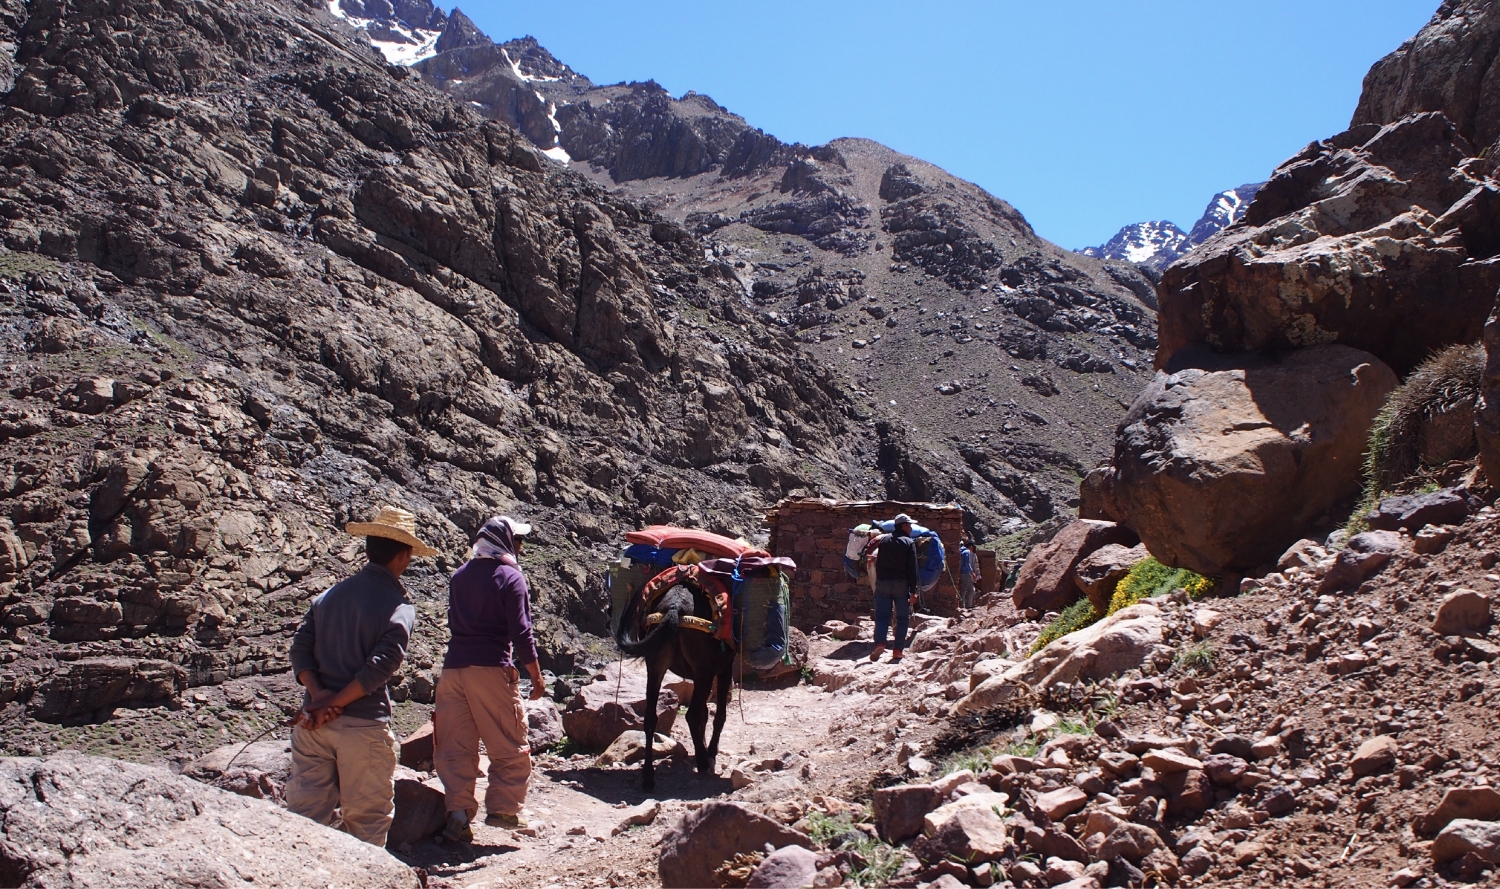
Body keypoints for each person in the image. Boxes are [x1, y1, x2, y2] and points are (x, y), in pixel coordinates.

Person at [286, 505, 431, 846]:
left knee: (305, 819)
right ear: (404, 555)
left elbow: (300, 649)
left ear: (368, 549)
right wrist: (334, 702)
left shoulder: (328, 596)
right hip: (362, 727)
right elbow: (379, 668)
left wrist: (319, 698)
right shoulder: (399, 607)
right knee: (366, 821)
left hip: (312, 724)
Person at [435, 516, 546, 844]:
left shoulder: (458, 577)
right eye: (518, 541)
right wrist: (536, 677)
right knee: (509, 739)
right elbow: (522, 633)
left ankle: (457, 815)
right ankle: (505, 808)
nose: (521, 547)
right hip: (491, 669)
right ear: (507, 542)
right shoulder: (512, 578)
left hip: (453, 669)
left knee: (456, 743)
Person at [870, 513, 919, 663]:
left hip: (883, 583)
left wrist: (878, 583)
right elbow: (912, 569)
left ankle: (880, 643)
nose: (911, 528)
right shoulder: (909, 543)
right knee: (902, 618)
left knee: (882, 616)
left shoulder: (884, 541)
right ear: (903, 526)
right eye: (909, 525)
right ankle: (897, 650)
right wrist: (914, 591)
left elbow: (878, 564)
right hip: (901, 585)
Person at [959, 538, 977, 610]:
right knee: (971, 589)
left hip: (961, 573)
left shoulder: (961, 551)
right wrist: (972, 572)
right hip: (966, 573)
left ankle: (961, 606)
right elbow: (967, 563)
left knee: (963, 590)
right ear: (971, 547)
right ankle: (969, 606)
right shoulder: (967, 552)